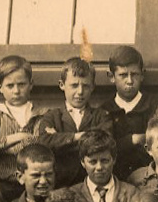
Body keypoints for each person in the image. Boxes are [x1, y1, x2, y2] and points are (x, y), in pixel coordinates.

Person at [35, 57, 112, 188]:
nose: (80, 92)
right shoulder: (52, 116)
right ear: (62, 85)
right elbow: (44, 142)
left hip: (91, 183)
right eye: (74, 85)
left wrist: (61, 139)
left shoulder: (102, 116)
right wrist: (77, 137)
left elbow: (104, 142)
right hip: (61, 183)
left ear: (92, 87)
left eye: (85, 86)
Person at [0, 55, 44, 200]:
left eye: (21, 84)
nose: (16, 91)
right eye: (10, 86)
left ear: (31, 84)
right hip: (1, 184)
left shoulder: (41, 114)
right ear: (0, 87)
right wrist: (18, 137)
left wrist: (1, 148)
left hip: (33, 184)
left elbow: (41, 144)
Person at [72, 130, 140, 202]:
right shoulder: (73, 195)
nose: (99, 167)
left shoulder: (131, 193)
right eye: (92, 162)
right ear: (83, 162)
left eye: (104, 161)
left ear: (114, 159)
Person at [101, 46, 156, 181]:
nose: (130, 81)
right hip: (115, 179)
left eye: (134, 74)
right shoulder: (105, 110)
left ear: (142, 75)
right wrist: (134, 139)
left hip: (148, 179)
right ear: (111, 76)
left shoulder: (153, 106)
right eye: (123, 75)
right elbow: (105, 145)